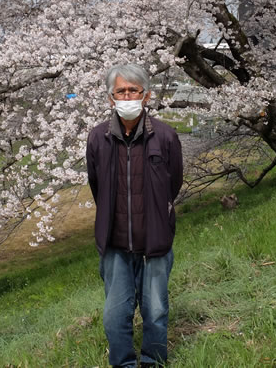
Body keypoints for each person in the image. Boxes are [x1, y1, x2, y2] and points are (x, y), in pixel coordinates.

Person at [86, 64, 184, 367]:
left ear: (146, 95)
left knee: (155, 309)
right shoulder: (98, 138)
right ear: (110, 98)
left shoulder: (165, 137)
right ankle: (124, 363)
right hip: (115, 243)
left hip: (155, 240)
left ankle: (153, 361)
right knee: (115, 313)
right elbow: (97, 185)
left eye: (133, 90)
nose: (127, 96)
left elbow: (174, 183)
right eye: (121, 91)